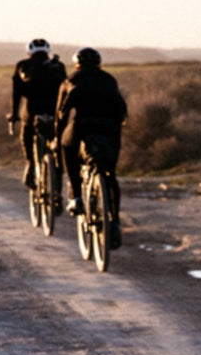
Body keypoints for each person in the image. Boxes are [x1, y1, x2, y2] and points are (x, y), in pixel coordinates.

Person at [56, 47, 128, 246]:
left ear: (77, 64)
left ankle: (77, 198)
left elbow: (62, 115)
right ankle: (114, 219)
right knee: (109, 173)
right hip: (109, 128)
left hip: (82, 125)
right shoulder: (109, 79)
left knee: (67, 148)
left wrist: (57, 137)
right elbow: (122, 110)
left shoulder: (70, 80)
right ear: (99, 63)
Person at [8, 38, 66, 197]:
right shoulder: (58, 65)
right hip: (54, 112)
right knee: (57, 145)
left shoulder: (23, 65)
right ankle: (57, 190)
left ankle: (30, 165)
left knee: (27, 135)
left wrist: (14, 114)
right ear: (47, 50)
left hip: (32, 110)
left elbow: (17, 93)